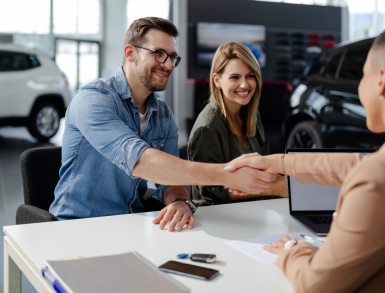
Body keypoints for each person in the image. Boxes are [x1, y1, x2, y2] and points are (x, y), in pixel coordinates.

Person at [49, 17, 276, 232]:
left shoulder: (163, 114)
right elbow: (141, 161)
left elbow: (172, 183)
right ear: (130, 53)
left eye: (172, 57)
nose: (167, 65)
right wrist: (226, 175)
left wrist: (179, 201)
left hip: (130, 225)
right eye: (158, 54)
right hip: (77, 227)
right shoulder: (93, 100)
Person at [226, 32, 385, 293]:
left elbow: (315, 291)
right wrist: (278, 162)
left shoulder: (373, 182)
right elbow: (358, 163)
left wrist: (292, 250)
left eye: (361, 75)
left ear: (381, 81)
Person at [188, 42, 287, 205]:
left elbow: (264, 169)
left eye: (250, 75)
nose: (245, 84)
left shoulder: (251, 115)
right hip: (220, 219)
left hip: (255, 211)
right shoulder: (207, 127)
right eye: (235, 77)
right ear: (217, 80)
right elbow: (212, 194)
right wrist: (275, 189)